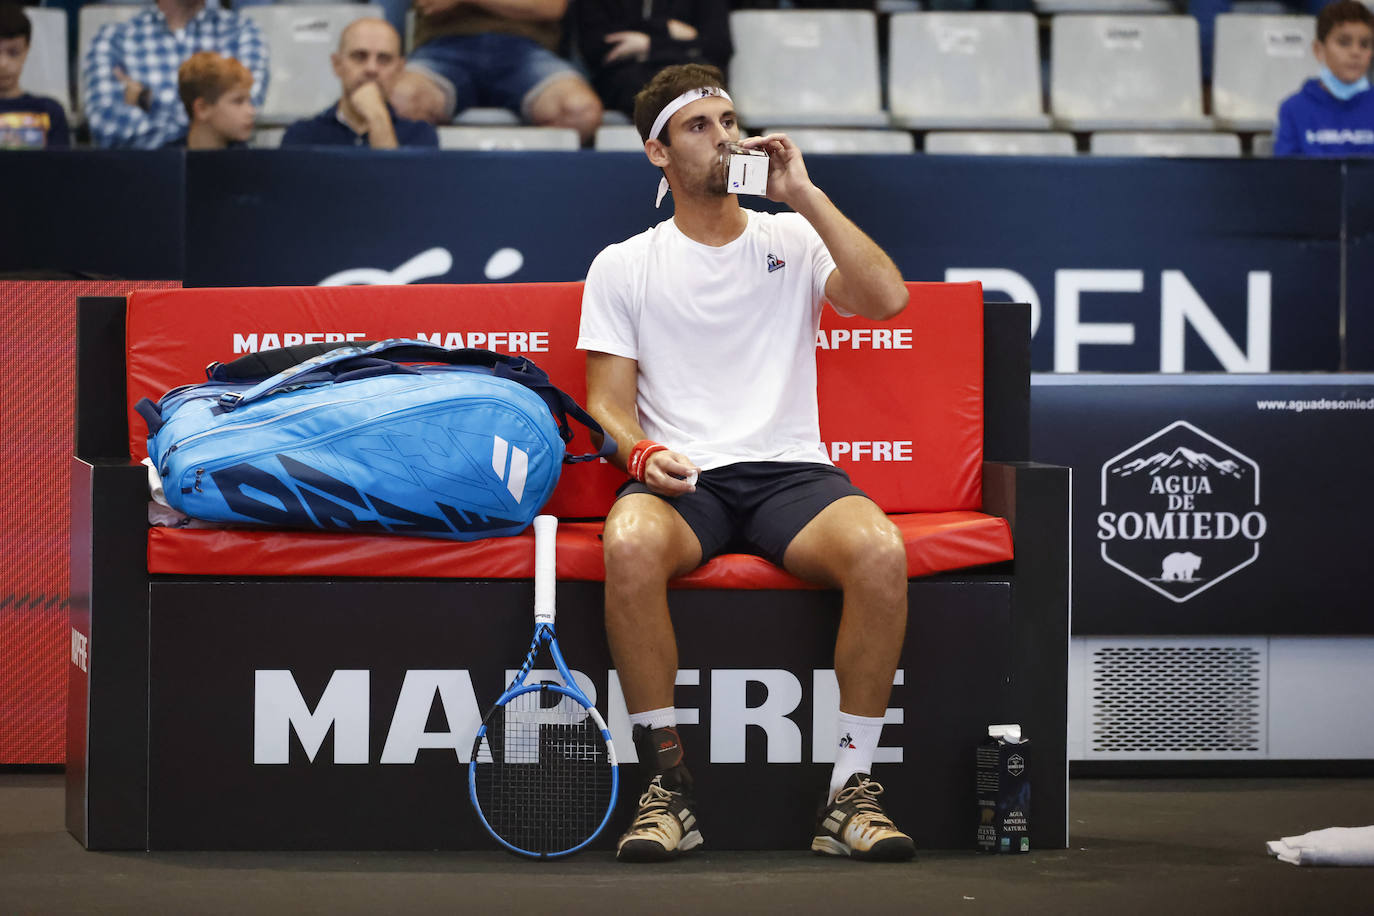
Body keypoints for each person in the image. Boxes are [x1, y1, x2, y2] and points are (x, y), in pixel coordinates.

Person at [577, 63, 915, 863]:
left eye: (730, 121)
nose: (725, 136)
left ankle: (851, 796)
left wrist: (803, 193)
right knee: (625, 543)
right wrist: (641, 450)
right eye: (700, 126)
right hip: (685, 476)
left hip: (789, 472)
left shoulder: (792, 237)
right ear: (658, 153)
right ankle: (668, 790)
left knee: (880, 552)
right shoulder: (623, 264)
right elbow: (608, 406)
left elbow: (886, 299)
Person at [387, 0, 602, 145]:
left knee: (580, 113)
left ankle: (531, 188)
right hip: (442, 49)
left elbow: (551, 6)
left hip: (527, 51)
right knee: (401, 103)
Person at [82, 0, 268, 149]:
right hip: (142, 180)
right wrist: (204, 128)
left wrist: (147, 99)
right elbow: (107, 126)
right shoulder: (114, 38)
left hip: (223, 176)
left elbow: (243, 109)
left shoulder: (242, 31)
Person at [282, 18, 437, 149]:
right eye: (359, 56)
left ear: (399, 70)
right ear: (337, 65)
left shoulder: (420, 135)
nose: (371, 69)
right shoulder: (303, 136)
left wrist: (378, 119)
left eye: (384, 59)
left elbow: (396, 184)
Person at [574, 0, 732, 118]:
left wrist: (649, 45)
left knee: (691, 87)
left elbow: (717, 48)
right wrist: (669, 32)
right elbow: (598, 48)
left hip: (690, 84)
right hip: (624, 89)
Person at [1274, 0, 1374, 156]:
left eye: (1364, 44)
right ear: (1318, 50)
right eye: (1344, 42)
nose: (1356, 52)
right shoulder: (1293, 109)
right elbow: (1285, 175)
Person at [0, 2, 69, 149]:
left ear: (27, 51)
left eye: (13, 53)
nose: (3, 64)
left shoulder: (50, 112)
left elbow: (62, 169)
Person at [173, 51, 255, 150]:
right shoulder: (164, 161)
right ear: (202, 108)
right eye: (238, 101)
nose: (251, 111)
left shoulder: (250, 163)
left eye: (249, 101)